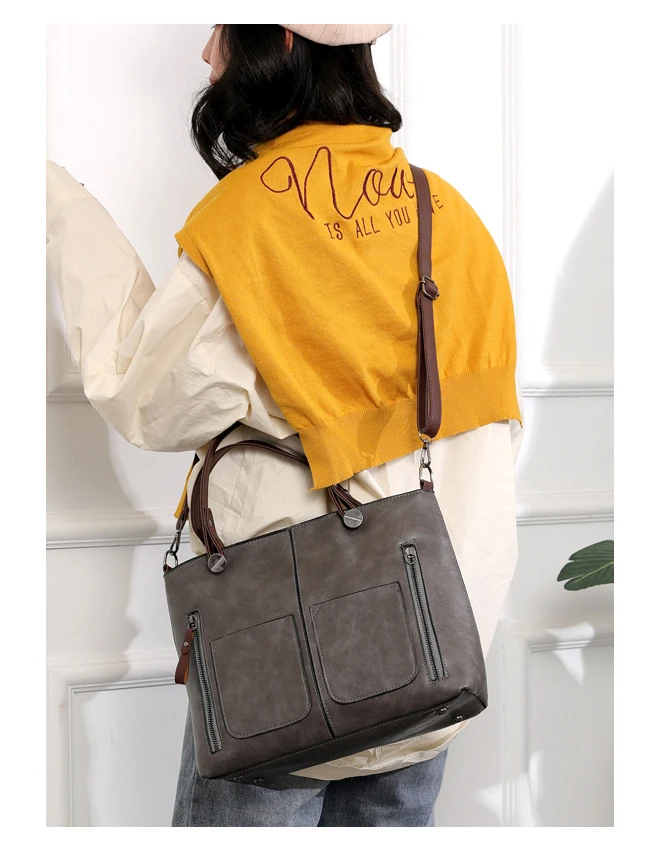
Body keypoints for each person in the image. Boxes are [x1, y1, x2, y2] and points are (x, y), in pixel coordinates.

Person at [46, 24, 524, 827]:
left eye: (222, 30)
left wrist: (59, 206)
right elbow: (489, 441)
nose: (207, 54)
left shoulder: (250, 219)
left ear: (285, 45)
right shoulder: (446, 210)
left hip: (291, 679)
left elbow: (145, 396)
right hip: (438, 659)